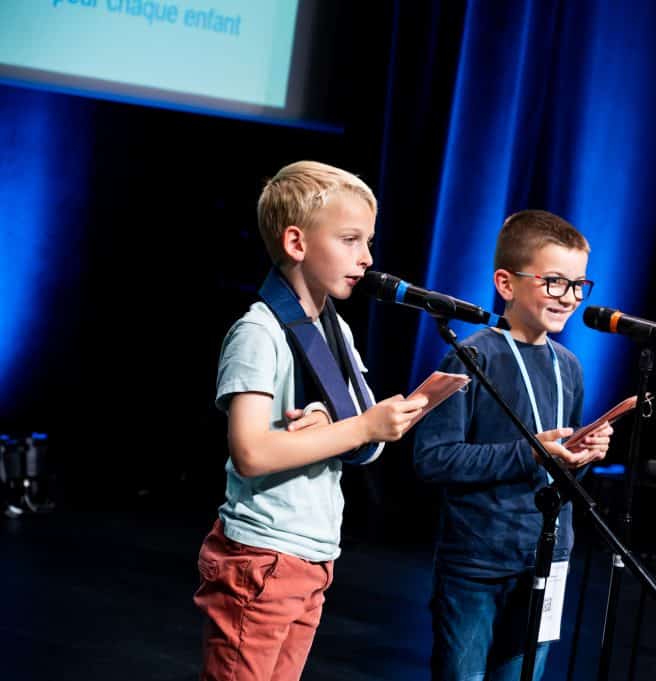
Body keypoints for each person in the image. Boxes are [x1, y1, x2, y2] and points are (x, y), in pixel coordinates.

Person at [193, 161, 427, 681]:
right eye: (349, 239)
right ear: (296, 242)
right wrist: (360, 427)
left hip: (310, 556)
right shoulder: (259, 332)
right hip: (264, 555)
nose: (366, 257)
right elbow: (251, 452)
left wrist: (344, 424)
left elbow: (358, 430)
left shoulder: (333, 328)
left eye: (368, 240)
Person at [413, 210, 613, 681]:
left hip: (549, 556)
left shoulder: (570, 367)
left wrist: (581, 455)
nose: (569, 298)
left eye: (579, 285)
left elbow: (556, 468)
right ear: (506, 283)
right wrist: (531, 452)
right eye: (554, 282)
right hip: (478, 562)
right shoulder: (471, 355)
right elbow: (433, 457)